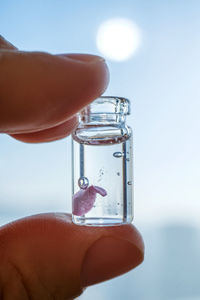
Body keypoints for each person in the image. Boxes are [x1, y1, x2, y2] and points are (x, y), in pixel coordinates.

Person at [0, 35, 144, 299]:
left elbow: (97, 188)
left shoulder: (120, 133)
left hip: (111, 216)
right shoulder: (82, 132)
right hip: (88, 216)